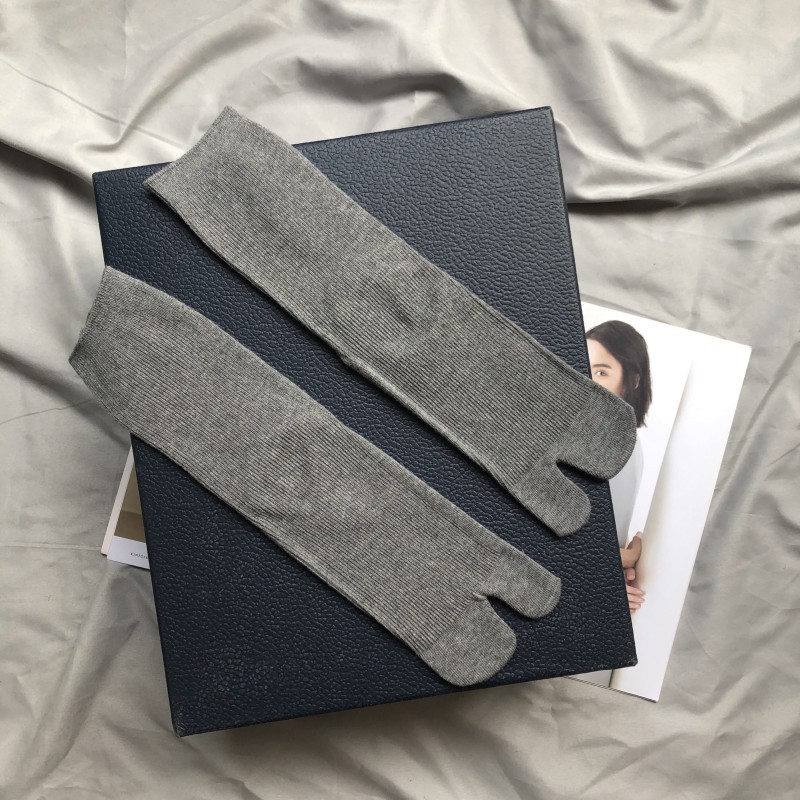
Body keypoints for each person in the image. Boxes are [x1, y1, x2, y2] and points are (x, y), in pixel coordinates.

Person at [585, 320, 652, 613]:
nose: (587, 382)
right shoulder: (622, 442)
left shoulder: (617, 445)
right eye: (582, 368)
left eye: (601, 372)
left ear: (633, 380)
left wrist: (606, 579)